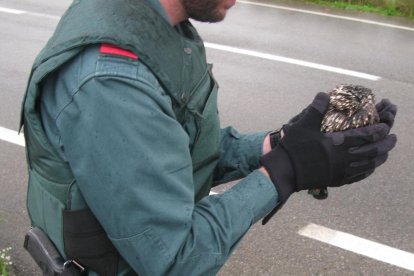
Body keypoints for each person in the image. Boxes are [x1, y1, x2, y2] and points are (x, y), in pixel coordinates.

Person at [20, 0, 397, 275]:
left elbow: (171, 153)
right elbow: (173, 260)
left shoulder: (153, 24)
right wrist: (283, 172)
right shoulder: (110, 79)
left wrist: (279, 145)